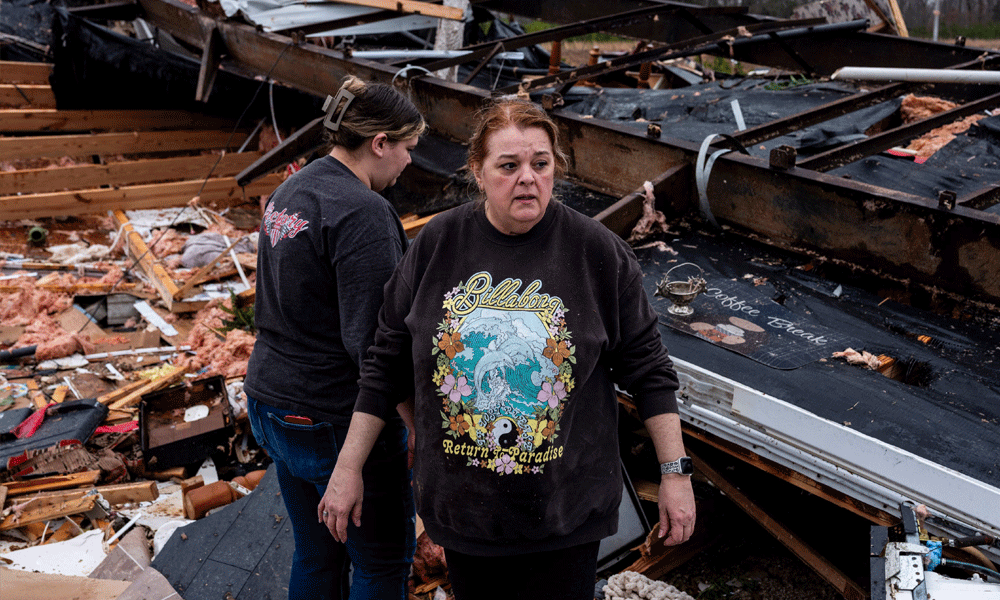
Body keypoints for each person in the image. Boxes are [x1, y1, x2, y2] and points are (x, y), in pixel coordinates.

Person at [320, 98, 695, 600]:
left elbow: (650, 371)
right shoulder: (437, 245)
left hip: (565, 514)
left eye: (541, 164)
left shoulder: (595, 252)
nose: (528, 179)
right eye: (509, 165)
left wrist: (675, 476)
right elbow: (384, 365)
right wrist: (347, 469)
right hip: (466, 514)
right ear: (477, 171)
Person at [244, 75, 425, 600]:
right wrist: (416, 422)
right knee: (381, 561)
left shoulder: (291, 190)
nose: (410, 162)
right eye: (408, 149)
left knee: (317, 553)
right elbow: (375, 343)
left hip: (272, 402)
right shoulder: (364, 214)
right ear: (379, 143)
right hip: (333, 418)